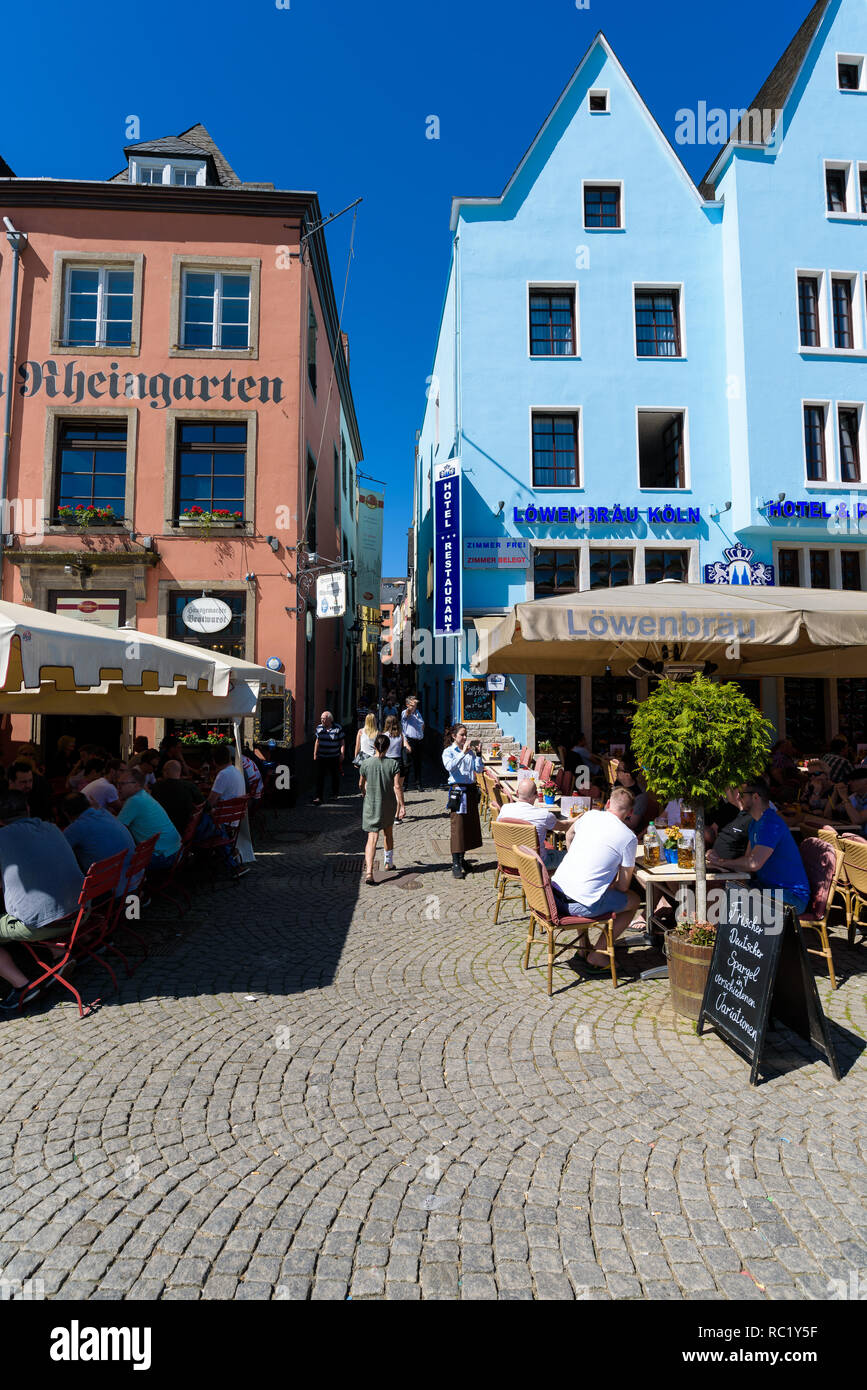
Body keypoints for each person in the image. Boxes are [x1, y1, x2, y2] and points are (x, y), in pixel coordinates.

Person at [0, 791, 85, 1011]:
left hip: (44, 923)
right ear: (27, 809)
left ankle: (23, 986)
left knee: (31, 909)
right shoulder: (52, 827)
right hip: (81, 913)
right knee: (41, 899)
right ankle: (58, 954)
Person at [550, 787, 641, 972]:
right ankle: (599, 954)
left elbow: (568, 835)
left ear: (608, 803)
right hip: (579, 905)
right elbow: (623, 886)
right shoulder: (628, 837)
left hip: (553, 897)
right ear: (630, 813)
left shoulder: (589, 815)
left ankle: (584, 947)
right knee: (634, 900)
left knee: (587, 889)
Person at [708, 779, 810, 913]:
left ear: (755, 797)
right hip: (767, 888)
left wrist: (721, 862)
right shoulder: (755, 823)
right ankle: (710, 931)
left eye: (742, 794)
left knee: (722, 897)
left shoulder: (770, 823)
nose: (738, 797)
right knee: (716, 889)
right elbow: (747, 863)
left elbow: (753, 863)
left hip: (790, 896)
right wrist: (720, 867)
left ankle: (712, 931)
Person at [62, 793, 137, 896]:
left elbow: (58, 852)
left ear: (66, 814)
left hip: (110, 888)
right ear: (88, 804)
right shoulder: (105, 813)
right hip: (134, 878)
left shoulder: (76, 828)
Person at [359, 732, 406, 884]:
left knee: (372, 839)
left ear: (374, 746)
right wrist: (402, 806)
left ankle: (369, 872)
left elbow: (361, 784)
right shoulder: (393, 764)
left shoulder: (366, 764)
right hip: (388, 805)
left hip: (371, 805)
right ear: (388, 747)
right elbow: (397, 786)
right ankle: (388, 863)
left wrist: (364, 792)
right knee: (388, 833)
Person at [116, 767, 181, 872]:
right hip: (176, 851)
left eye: (122, 784)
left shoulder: (134, 801)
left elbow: (117, 829)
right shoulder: (142, 796)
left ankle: (132, 888)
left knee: (115, 864)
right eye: (117, 784)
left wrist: (101, 813)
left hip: (164, 857)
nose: (118, 788)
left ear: (136, 785)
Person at [442, 724, 484, 879]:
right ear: (454, 736)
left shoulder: (470, 752)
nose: (465, 738)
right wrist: (462, 754)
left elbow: (478, 769)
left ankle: (462, 858)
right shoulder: (448, 752)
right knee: (457, 828)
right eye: (462, 735)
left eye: (466, 735)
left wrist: (478, 755)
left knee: (468, 827)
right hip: (458, 792)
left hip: (471, 790)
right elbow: (450, 767)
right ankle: (455, 863)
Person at [497, 779, 569, 863]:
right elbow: (564, 826)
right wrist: (575, 820)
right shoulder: (543, 815)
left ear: (517, 793)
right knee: (571, 857)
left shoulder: (505, 808)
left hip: (509, 860)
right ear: (536, 795)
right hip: (536, 864)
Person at [152, 760, 205, 834]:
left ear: (165, 771)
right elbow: (204, 805)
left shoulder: (156, 787)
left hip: (162, 828)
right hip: (185, 830)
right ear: (179, 772)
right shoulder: (189, 786)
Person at [312, 711, 344, 804]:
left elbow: (342, 741)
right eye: (321, 718)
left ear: (330, 719)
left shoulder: (338, 728)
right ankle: (318, 797)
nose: (322, 720)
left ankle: (334, 794)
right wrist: (315, 754)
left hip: (334, 756)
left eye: (324, 718)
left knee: (334, 776)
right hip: (322, 756)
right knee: (319, 777)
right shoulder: (319, 728)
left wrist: (342, 753)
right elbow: (317, 741)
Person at [614, 761, 648, 832]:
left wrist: (612, 817)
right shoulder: (618, 784)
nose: (616, 771)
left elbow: (632, 824)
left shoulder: (639, 795)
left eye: (619, 769)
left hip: (628, 832)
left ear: (627, 775)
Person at [833, 768, 867, 836]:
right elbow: (832, 812)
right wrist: (835, 792)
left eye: (854, 780)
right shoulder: (855, 796)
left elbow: (857, 820)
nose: (849, 783)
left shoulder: (850, 798)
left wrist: (845, 798)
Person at [401, 696, 425, 791]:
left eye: (415, 705)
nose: (414, 706)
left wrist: (421, 734)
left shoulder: (418, 713)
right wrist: (410, 709)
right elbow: (407, 714)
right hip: (409, 741)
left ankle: (418, 784)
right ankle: (405, 784)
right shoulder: (405, 712)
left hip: (418, 741)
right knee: (407, 764)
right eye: (412, 704)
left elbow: (422, 724)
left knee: (417, 763)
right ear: (408, 705)